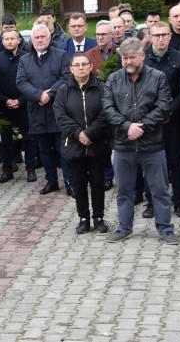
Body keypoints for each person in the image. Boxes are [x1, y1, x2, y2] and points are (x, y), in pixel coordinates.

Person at [102, 39, 177, 244]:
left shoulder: (158, 77)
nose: (128, 62)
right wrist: (127, 127)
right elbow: (108, 109)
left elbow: (163, 108)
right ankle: (124, 227)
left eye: (132, 57)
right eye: (124, 58)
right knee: (124, 191)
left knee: (160, 190)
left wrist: (141, 127)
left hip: (152, 145)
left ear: (142, 56)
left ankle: (165, 228)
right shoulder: (113, 79)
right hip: (123, 146)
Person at [54, 53, 110, 234]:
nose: (80, 68)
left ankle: (99, 217)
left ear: (90, 66)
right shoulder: (63, 91)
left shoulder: (101, 88)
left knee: (97, 182)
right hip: (74, 145)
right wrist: (79, 133)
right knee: (78, 184)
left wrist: (91, 133)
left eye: (84, 64)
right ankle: (83, 218)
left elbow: (106, 114)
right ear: (70, 69)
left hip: (96, 143)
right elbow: (61, 116)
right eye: (76, 65)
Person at [16, 24, 73, 195]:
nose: (40, 40)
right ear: (32, 40)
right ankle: (52, 181)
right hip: (37, 112)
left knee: (62, 150)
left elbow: (66, 77)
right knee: (44, 151)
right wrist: (38, 95)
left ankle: (70, 182)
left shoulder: (61, 55)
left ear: (49, 38)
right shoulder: (25, 60)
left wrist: (50, 94)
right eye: (36, 38)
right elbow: (21, 82)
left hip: (57, 112)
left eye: (43, 37)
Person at [143, 22, 180, 218]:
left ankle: (178, 201)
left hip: (174, 119)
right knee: (150, 161)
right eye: (156, 35)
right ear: (150, 37)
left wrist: (169, 111)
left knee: (175, 161)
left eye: (164, 35)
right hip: (150, 120)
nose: (160, 39)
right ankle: (151, 202)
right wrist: (152, 115)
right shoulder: (143, 59)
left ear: (170, 36)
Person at [0, 30, 36, 183]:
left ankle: (31, 169)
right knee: (5, 139)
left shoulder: (27, 57)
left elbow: (32, 82)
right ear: (2, 41)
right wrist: (4, 100)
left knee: (29, 138)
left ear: (19, 40)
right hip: (4, 106)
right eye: (6, 39)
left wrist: (21, 100)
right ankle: (7, 169)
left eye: (13, 38)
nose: (10, 41)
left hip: (24, 105)